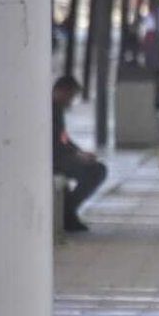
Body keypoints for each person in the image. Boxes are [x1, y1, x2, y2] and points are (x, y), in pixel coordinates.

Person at [52, 75, 108, 233]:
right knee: (95, 172)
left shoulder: (56, 109)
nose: (71, 101)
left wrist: (79, 152)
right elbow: (55, 143)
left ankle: (67, 212)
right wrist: (77, 155)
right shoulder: (50, 110)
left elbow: (62, 138)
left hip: (60, 156)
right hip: (54, 159)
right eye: (71, 96)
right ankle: (67, 212)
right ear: (61, 91)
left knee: (96, 168)